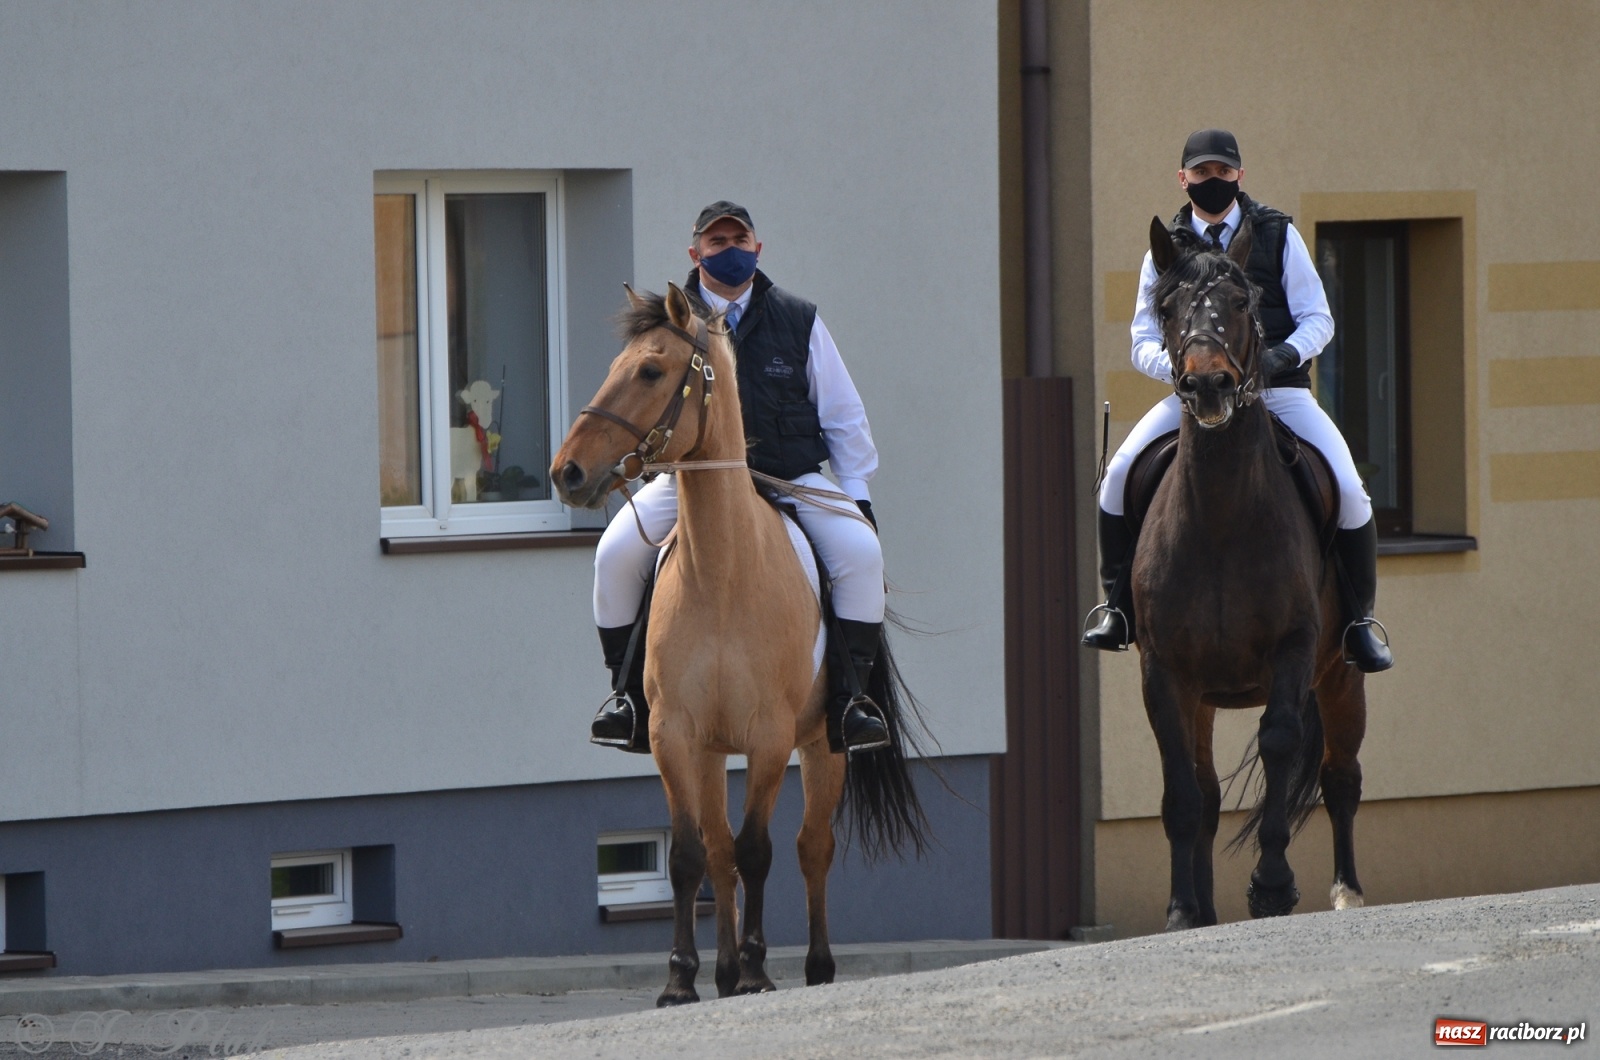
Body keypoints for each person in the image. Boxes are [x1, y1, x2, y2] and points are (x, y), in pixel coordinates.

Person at [1082, 129, 1393, 673]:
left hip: (1278, 394)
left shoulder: (1276, 233)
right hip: (1195, 394)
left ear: (1240, 176)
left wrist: (1276, 360)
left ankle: (1359, 623)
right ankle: (1118, 609)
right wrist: (1180, 373)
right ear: (1184, 180)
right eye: (1201, 173)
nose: (1213, 181)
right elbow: (1140, 338)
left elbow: (1319, 317)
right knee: (1116, 477)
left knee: (1349, 488)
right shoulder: (1165, 248)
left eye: (1223, 172)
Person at [589, 201, 893, 753]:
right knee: (613, 556)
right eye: (715, 242)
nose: (728, 250)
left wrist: (858, 498)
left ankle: (850, 701)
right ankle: (628, 697)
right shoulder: (665, 326)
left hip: (788, 478)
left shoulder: (800, 320)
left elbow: (844, 415)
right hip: (693, 480)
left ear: (758, 246)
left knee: (861, 555)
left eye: (738, 239)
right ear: (695, 253)